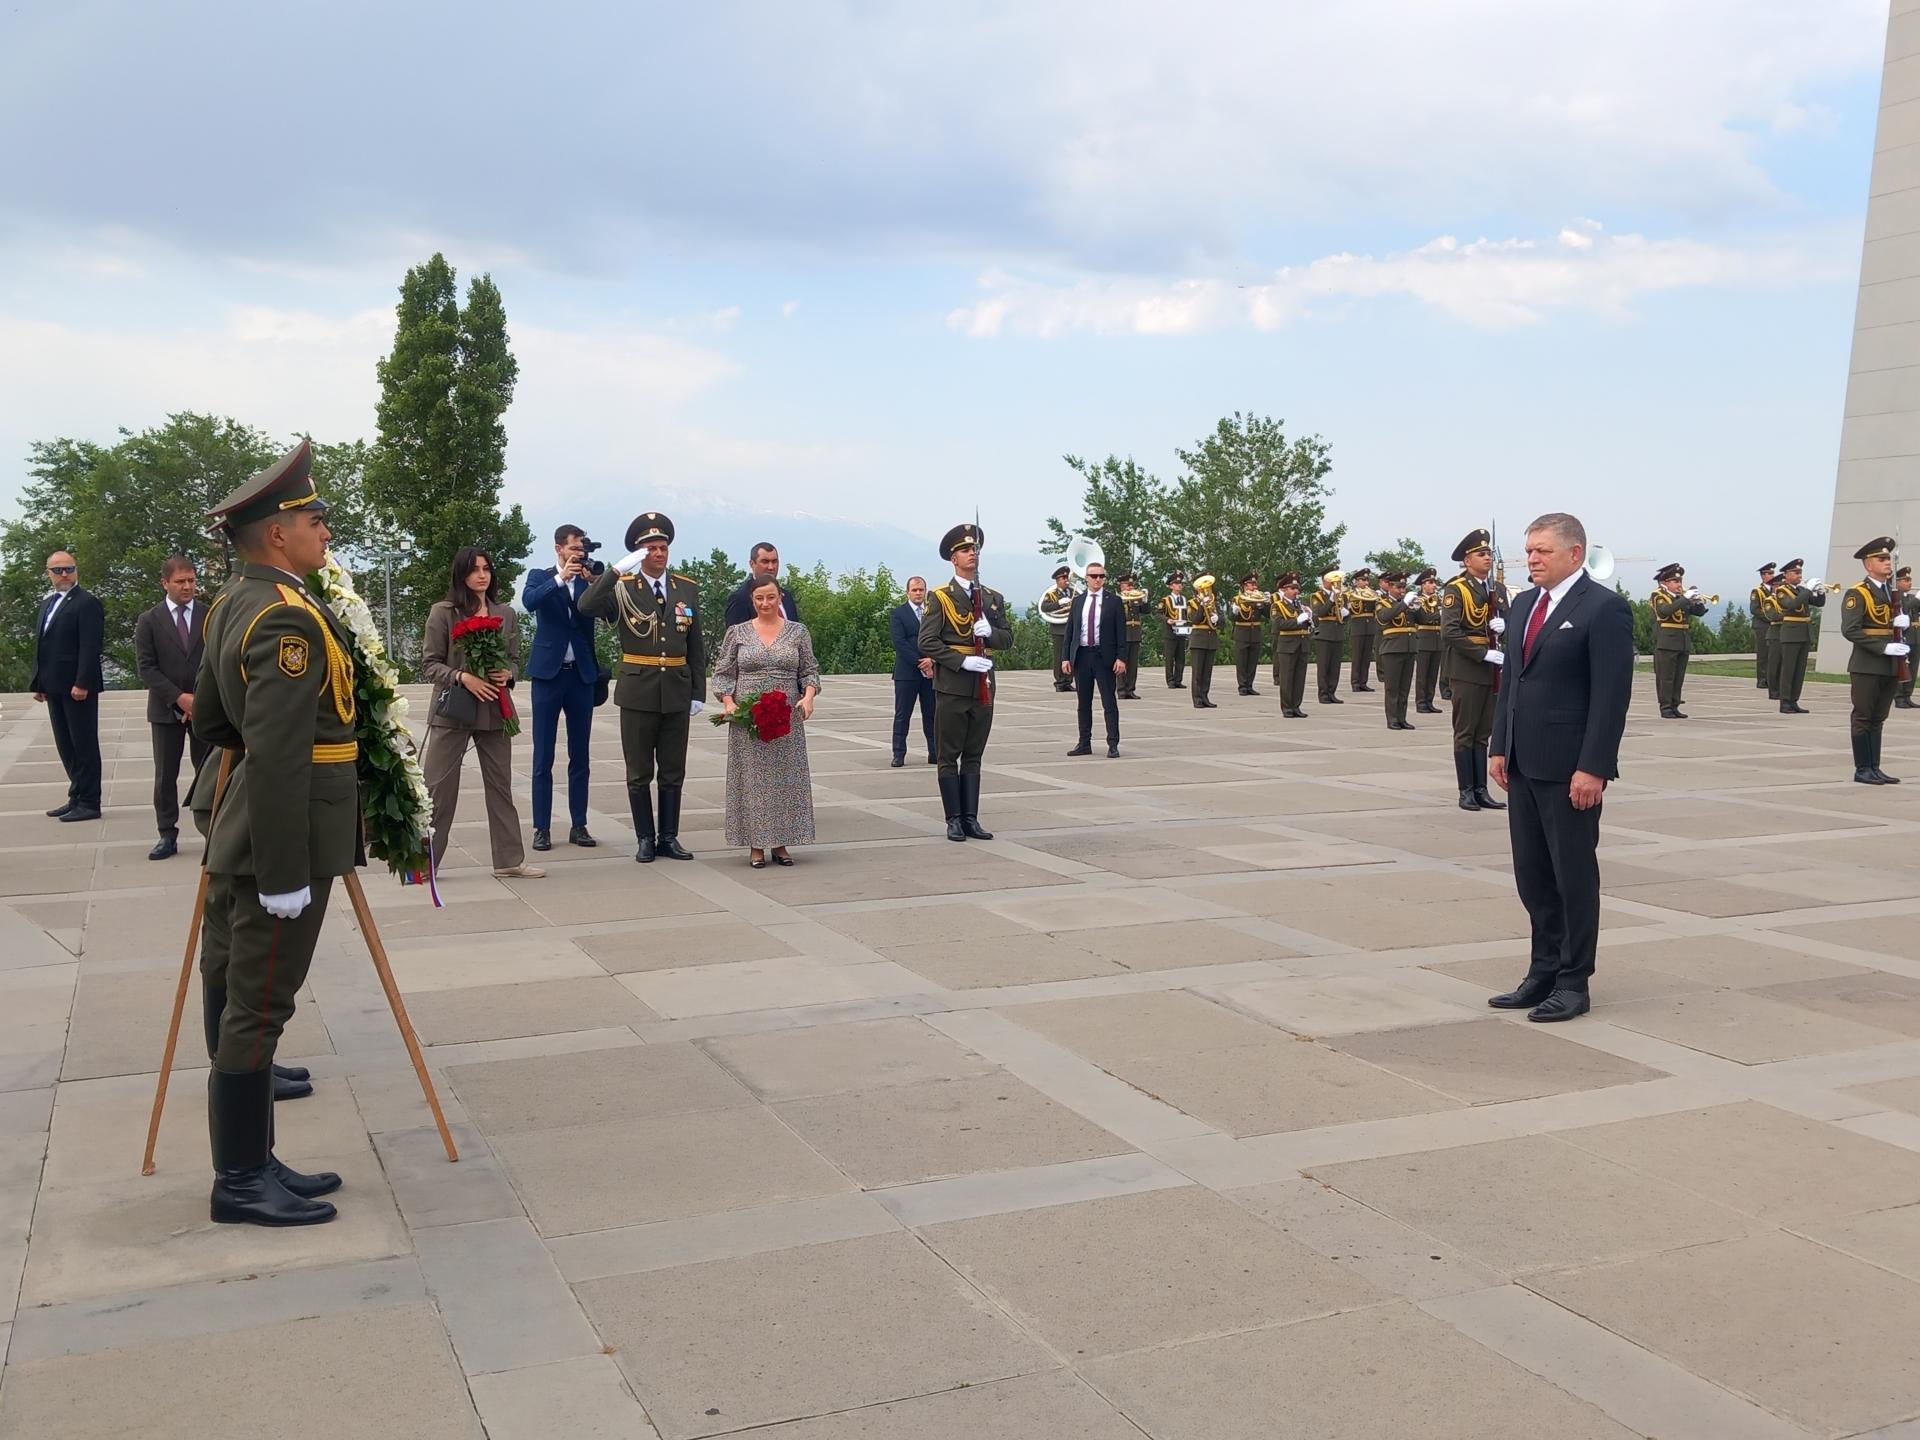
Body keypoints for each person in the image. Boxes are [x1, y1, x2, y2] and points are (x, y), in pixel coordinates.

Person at [190, 437, 357, 1226]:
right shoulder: (285, 617)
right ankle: (239, 1181)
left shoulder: (233, 601)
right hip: (279, 841)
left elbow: (214, 723)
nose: (326, 531)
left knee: (237, 992)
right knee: (259, 1005)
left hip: (246, 826)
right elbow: (281, 751)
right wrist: (286, 870)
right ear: (279, 533)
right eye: (315, 520)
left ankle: (255, 1158)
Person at [1486, 512, 1633, 1023]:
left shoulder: (1604, 608)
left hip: (1570, 768)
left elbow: (1611, 696)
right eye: (1529, 550)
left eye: (1542, 551)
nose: (1532, 559)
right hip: (1523, 763)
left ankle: (1573, 981)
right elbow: (1513, 680)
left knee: (1572, 877)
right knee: (1532, 875)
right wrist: (1499, 744)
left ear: (1575, 553)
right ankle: (1542, 971)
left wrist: (1594, 766)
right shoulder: (1525, 604)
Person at [581, 512, 707, 862]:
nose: (659, 553)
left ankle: (669, 837)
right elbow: (586, 605)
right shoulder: (623, 587)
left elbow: (695, 645)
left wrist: (698, 691)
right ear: (638, 553)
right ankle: (645, 838)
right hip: (638, 691)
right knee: (639, 772)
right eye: (651, 548)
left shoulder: (686, 587)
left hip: (677, 689)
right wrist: (614, 572)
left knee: (673, 770)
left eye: (663, 547)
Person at [422, 549, 543, 880]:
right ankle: (422, 863)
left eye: (487, 569)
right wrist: (463, 677)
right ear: (461, 574)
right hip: (454, 709)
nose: (482, 575)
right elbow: (430, 664)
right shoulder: (443, 612)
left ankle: (509, 860)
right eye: (474, 569)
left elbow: (514, 659)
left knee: (501, 786)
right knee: (438, 788)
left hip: (495, 710)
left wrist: (509, 674)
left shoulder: (506, 613)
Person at [711, 575, 823, 866]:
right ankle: (756, 845)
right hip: (749, 718)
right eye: (759, 598)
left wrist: (808, 697)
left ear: (780, 598)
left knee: (785, 779)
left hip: (786, 717)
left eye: (770, 597)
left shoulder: (798, 632)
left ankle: (782, 843)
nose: (765, 603)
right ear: (752, 600)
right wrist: (729, 703)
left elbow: (810, 671)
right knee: (753, 781)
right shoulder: (737, 633)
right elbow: (723, 674)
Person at [920, 522, 1012, 841]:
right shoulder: (940, 597)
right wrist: (961, 661)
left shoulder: (992, 598)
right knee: (948, 755)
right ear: (953, 558)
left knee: (974, 755)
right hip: (953, 686)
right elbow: (927, 641)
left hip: (983, 685)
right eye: (965, 550)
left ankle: (971, 818)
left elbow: (1007, 639)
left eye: (974, 549)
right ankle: (954, 819)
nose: (972, 553)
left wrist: (992, 633)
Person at [522, 524, 602, 852]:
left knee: (580, 754)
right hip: (548, 675)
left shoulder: (588, 581)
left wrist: (595, 583)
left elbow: (607, 611)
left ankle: (578, 824)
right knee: (543, 755)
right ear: (559, 549)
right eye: (573, 548)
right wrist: (560, 578)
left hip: (580, 674)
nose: (578, 554)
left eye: (582, 549)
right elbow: (529, 601)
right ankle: (541, 827)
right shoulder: (540, 576)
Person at [134, 555, 208, 859]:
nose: (187, 586)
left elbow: (218, 660)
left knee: (208, 771)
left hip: (205, 708)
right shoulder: (149, 620)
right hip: (166, 710)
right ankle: (167, 833)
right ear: (165, 583)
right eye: (180, 581)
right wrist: (179, 697)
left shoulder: (209, 615)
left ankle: (214, 830)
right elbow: (147, 667)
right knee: (165, 774)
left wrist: (199, 698)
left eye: (191, 580)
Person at [31, 549, 105, 823]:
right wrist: (39, 682)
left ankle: (90, 802)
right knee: (65, 745)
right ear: (48, 573)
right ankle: (77, 795)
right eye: (58, 570)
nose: (64, 574)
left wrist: (82, 682)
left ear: (76, 570)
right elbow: (42, 645)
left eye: (69, 569)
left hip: (77, 687)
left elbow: (90, 645)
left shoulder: (87, 603)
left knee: (84, 745)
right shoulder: (48, 603)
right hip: (54, 686)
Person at [1441, 530, 1506, 812]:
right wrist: (1482, 653)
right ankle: (1465, 790)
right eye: (1481, 554)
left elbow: (1507, 620)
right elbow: (1450, 632)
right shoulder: (1456, 589)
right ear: (1467, 561)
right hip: (1467, 668)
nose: (1487, 557)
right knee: (1465, 731)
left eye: (1489, 553)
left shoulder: (1496, 589)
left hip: (1491, 669)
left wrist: (1505, 626)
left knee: (1483, 733)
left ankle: (1481, 790)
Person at [1840, 538, 1909, 784]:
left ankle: (1875, 767)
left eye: (1888, 558)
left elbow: (1890, 624)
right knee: (1863, 717)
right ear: (1868, 564)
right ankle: (1862, 769)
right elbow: (1850, 630)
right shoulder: (1858, 593)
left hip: (1890, 664)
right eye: (1882, 559)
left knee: (1878, 719)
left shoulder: (1892, 591)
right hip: (1867, 664)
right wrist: (1883, 647)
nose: (1887, 562)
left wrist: (1903, 624)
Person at [1064, 556, 1124, 757]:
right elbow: (1070, 631)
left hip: (1104, 656)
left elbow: (1121, 632)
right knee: (1083, 703)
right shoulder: (1078, 601)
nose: (1098, 579)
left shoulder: (1114, 601)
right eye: (1094, 576)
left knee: (1109, 702)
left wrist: (1121, 657)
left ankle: (1113, 743)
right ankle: (1084, 742)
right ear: (1086, 578)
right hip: (1082, 655)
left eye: (1101, 576)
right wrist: (1066, 657)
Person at [1649, 563, 1708, 719]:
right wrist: (1685, 598)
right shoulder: (1658, 595)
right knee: (1666, 677)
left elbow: (1699, 612)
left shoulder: (1680, 598)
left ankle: (1675, 705)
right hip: (1667, 642)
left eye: (1680, 581)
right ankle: (1665, 707)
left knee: (1678, 677)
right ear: (1665, 583)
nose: (1679, 585)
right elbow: (1665, 611)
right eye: (1675, 581)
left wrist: (1697, 601)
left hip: (1682, 641)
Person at [889, 576, 937, 767]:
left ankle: (935, 753)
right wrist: (920, 662)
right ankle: (898, 754)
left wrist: (932, 660)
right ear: (907, 592)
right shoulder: (898, 613)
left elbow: (940, 638)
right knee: (902, 715)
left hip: (931, 672)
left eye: (921, 590)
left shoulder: (933, 612)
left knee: (932, 715)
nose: (918, 593)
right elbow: (899, 642)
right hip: (906, 673)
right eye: (914, 590)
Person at [1772, 558, 1823, 714]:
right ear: (1786, 574)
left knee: (1799, 671)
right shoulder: (1782, 591)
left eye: (1800, 572)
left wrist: (1820, 592)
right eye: (1795, 572)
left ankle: (1794, 701)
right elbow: (1791, 605)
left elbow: (1818, 603)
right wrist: (1807, 590)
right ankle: (1785, 702)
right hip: (1791, 633)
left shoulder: (1801, 590)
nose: (1799, 575)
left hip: (1804, 633)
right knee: (1788, 670)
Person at [1375, 572, 1417, 731]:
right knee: (1392, 687)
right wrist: (1405, 603)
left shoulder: (1405, 604)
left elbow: (1422, 620)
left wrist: (1418, 609)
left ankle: (1402, 718)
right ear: (1390, 587)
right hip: (1392, 649)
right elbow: (1385, 617)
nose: (1402, 591)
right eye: (1399, 587)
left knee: (1404, 687)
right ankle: (1392, 719)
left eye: (1403, 587)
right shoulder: (1382, 602)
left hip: (1409, 648)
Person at [723, 541, 800, 626]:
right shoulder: (740, 598)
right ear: (752, 564)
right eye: (765, 562)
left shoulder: (787, 597)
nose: (771, 567)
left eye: (774, 561)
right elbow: (736, 633)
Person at [1268, 572, 1312, 717]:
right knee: (1287, 678)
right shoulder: (1277, 606)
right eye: (1292, 588)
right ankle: (1287, 707)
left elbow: (1307, 624)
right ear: (1284, 589)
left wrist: (1310, 618)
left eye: (1296, 588)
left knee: (1299, 678)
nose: (1296, 591)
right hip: (1287, 646)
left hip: (1302, 644)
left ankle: (1296, 706)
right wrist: (1298, 620)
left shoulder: (1300, 605)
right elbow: (1279, 624)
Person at [1309, 571, 1346, 704]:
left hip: (1337, 633)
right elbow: (1320, 612)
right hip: (1324, 633)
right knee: (1324, 666)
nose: (1337, 584)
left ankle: (1332, 692)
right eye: (1334, 581)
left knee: (1335, 667)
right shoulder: (1317, 596)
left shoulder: (1342, 595)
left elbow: (1345, 616)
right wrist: (1331, 600)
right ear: (1325, 581)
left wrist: (1346, 613)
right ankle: (1323, 693)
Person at [1229, 573, 1269, 695]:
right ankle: (1242, 686)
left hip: (1255, 632)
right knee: (1242, 662)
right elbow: (1232, 618)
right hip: (1242, 632)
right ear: (1245, 586)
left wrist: (1267, 603)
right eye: (1251, 584)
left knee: (1252, 662)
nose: (1254, 587)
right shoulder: (1237, 599)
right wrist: (1235, 612)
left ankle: (1250, 685)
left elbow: (1267, 615)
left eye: (1255, 584)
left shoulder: (1259, 598)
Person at [1187, 574, 1222, 708]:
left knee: (1207, 672)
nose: (1206, 590)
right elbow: (1195, 619)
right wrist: (1202, 605)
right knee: (1198, 671)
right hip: (1198, 639)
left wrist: (1217, 618)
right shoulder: (1192, 603)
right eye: (1203, 588)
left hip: (1211, 638)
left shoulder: (1214, 602)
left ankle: (1205, 696)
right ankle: (1197, 698)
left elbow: (1223, 621)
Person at [1039, 564, 1076, 692]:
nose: (1066, 581)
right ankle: (1060, 681)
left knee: (1070, 655)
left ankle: (1068, 680)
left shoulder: (1073, 592)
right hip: (1058, 629)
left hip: (1071, 627)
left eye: (1067, 578)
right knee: (1059, 656)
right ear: (1057, 580)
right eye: (1063, 579)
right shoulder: (1051, 594)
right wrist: (1059, 603)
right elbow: (1044, 607)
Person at [1412, 569, 1444, 713]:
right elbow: (1424, 618)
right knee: (1422, 674)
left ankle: (1429, 702)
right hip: (1424, 639)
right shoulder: (1417, 600)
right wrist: (1440, 613)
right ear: (1423, 585)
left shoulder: (1439, 599)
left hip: (1437, 640)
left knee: (1433, 675)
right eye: (1430, 582)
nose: (1434, 585)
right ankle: (1421, 703)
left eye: (1434, 582)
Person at [1117, 573, 1149, 698]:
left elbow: (1146, 611)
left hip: (1135, 634)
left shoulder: (1137, 599)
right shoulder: (1117, 599)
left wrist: (1145, 600)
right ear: (1122, 586)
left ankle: (1130, 689)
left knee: (1133, 664)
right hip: (1123, 634)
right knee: (1121, 663)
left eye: (1132, 585)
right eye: (1128, 585)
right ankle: (1121, 690)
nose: (1130, 587)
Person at [1347, 568, 1379, 693]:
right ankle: (1355, 682)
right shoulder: (1351, 594)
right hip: (1358, 626)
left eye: (1367, 580)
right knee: (1357, 656)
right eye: (1363, 580)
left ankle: (1363, 682)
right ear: (1356, 581)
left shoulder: (1372, 593)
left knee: (1366, 656)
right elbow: (1351, 610)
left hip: (1369, 626)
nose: (1366, 582)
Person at [1158, 572, 1191, 688]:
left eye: (1180, 583)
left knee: (1180, 657)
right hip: (1170, 632)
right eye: (1176, 583)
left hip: (1182, 630)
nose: (1179, 585)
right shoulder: (1165, 600)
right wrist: (1167, 619)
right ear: (1171, 586)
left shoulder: (1184, 599)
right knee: (1170, 658)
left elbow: (1188, 614)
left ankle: (1178, 680)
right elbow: (1158, 614)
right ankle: (1170, 680)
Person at [1750, 561, 1778, 695]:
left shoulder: (1776, 590)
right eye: (1769, 573)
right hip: (1762, 625)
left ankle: (1771, 678)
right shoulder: (1758, 591)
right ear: (1763, 575)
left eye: (1772, 573)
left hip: (1773, 626)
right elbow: (1755, 609)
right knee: (1763, 653)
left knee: (1773, 653)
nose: (1772, 576)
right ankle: (1762, 679)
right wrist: (1770, 617)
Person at [1899, 566, 1920, 709]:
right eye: (1906, 580)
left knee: (1912, 668)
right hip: (1904, 637)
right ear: (1897, 582)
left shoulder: (1911, 597)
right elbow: (1905, 609)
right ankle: (1899, 696)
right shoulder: (1895, 596)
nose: (1910, 583)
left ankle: (1907, 696)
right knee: (1902, 667)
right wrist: (1918, 598)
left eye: (1910, 580)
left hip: (1916, 637)